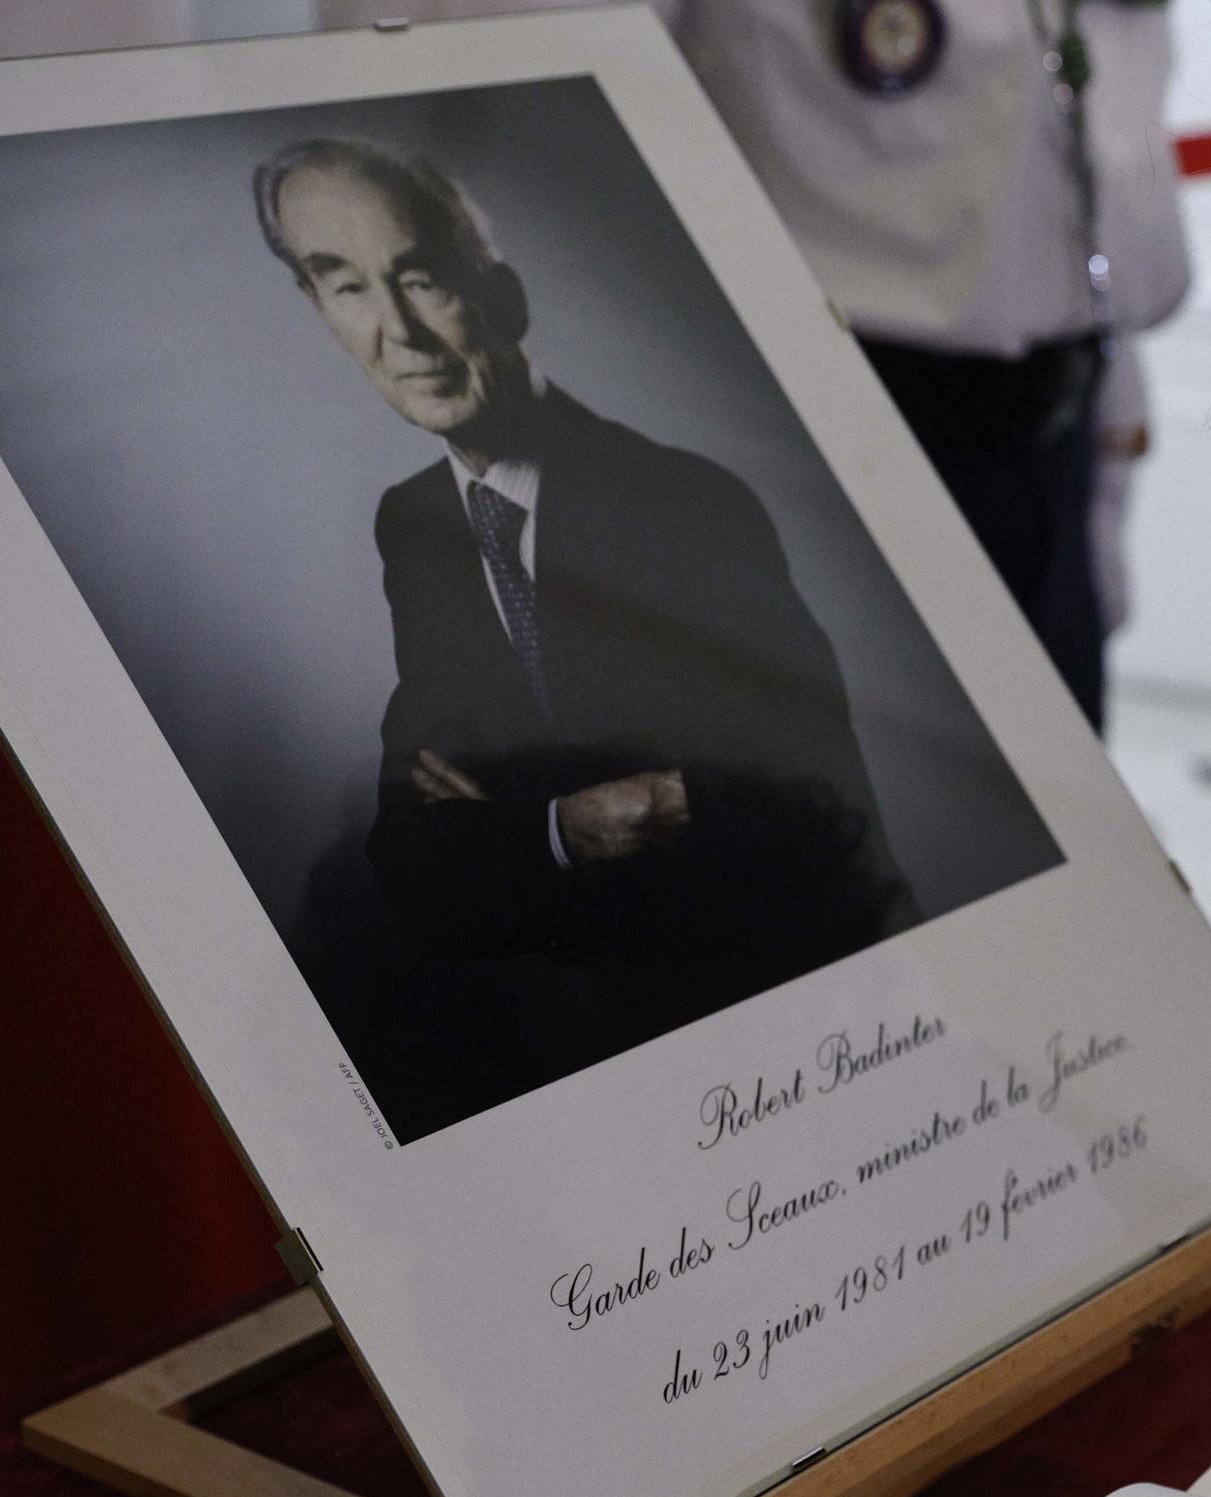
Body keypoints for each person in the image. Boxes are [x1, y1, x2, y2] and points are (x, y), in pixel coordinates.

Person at [257, 137, 911, 1060]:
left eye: (423, 278)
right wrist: (581, 820)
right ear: (316, 306)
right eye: (347, 285)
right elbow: (412, 857)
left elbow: (803, 802)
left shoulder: (687, 503)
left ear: (504, 295)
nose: (396, 333)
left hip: (780, 1033)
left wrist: (517, 827)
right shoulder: (413, 524)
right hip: (568, 1050)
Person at [656, 0, 1192, 728]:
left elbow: (1091, 149)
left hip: (1053, 439)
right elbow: (511, 91)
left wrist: (1110, 450)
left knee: (1057, 810)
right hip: (804, 462)